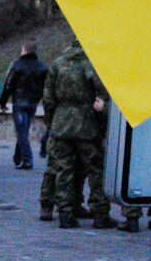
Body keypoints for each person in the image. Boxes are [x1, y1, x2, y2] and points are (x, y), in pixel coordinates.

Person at [41, 42, 115, 229]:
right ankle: (100, 213)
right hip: (87, 123)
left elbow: (48, 98)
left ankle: (65, 213)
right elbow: (102, 94)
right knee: (95, 170)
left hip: (61, 122)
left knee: (63, 169)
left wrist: (51, 122)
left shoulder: (57, 64)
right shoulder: (91, 64)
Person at [0, 41, 49, 170]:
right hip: (33, 103)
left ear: (25, 51)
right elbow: (46, 86)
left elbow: (9, 84)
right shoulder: (42, 67)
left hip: (19, 102)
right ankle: (18, 156)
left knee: (21, 131)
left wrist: (3, 102)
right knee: (24, 130)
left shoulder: (17, 65)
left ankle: (27, 159)